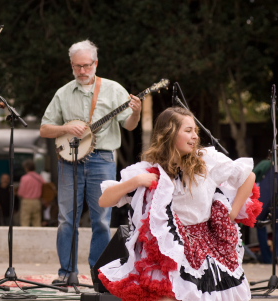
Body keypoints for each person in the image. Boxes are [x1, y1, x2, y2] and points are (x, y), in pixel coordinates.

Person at [98, 107, 260, 301]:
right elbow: (105, 200)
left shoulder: (207, 161)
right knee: (168, 296)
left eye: (195, 132)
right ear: (169, 133)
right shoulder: (149, 169)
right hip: (171, 246)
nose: (194, 137)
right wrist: (136, 181)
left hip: (204, 245)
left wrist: (231, 214)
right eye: (188, 131)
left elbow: (248, 176)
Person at [40, 40, 142, 281]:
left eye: (86, 66)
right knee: (66, 220)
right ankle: (66, 274)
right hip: (69, 161)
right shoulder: (63, 93)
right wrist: (65, 127)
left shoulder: (114, 89)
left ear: (96, 63)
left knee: (102, 221)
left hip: (103, 159)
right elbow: (44, 129)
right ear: (71, 65)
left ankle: (100, 277)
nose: (82, 72)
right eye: (77, 67)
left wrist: (136, 112)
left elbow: (128, 125)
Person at [17, 159, 44, 227]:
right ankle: (37, 236)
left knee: (25, 221)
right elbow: (44, 187)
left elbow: (20, 192)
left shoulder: (24, 178)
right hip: (37, 201)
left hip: (27, 201)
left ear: (26, 168)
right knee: (37, 221)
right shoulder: (39, 177)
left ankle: (25, 237)